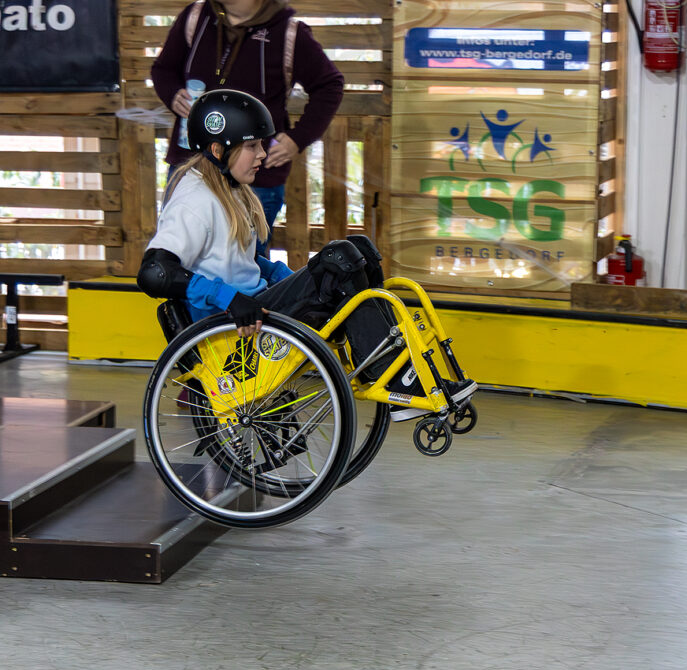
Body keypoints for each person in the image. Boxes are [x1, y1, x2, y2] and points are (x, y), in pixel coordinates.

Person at [137, 90, 476, 422]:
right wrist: (229, 298)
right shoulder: (194, 200)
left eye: (261, 145)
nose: (262, 154)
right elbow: (155, 272)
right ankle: (393, 375)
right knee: (340, 257)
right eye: (252, 145)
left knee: (360, 251)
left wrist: (293, 279)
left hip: (258, 307)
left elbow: (244, 261)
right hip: (231, 330)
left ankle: (397, 370)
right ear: (217, 149)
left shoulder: (229, 189)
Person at [151, 0, 344, 255]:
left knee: (247, 264)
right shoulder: (195, 17)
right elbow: (163, 69)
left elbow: (329, 85)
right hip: (191, 165)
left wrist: (297, 139)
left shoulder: (289, 32)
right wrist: (172, 93)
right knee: (178, 257)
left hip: (255, 178)